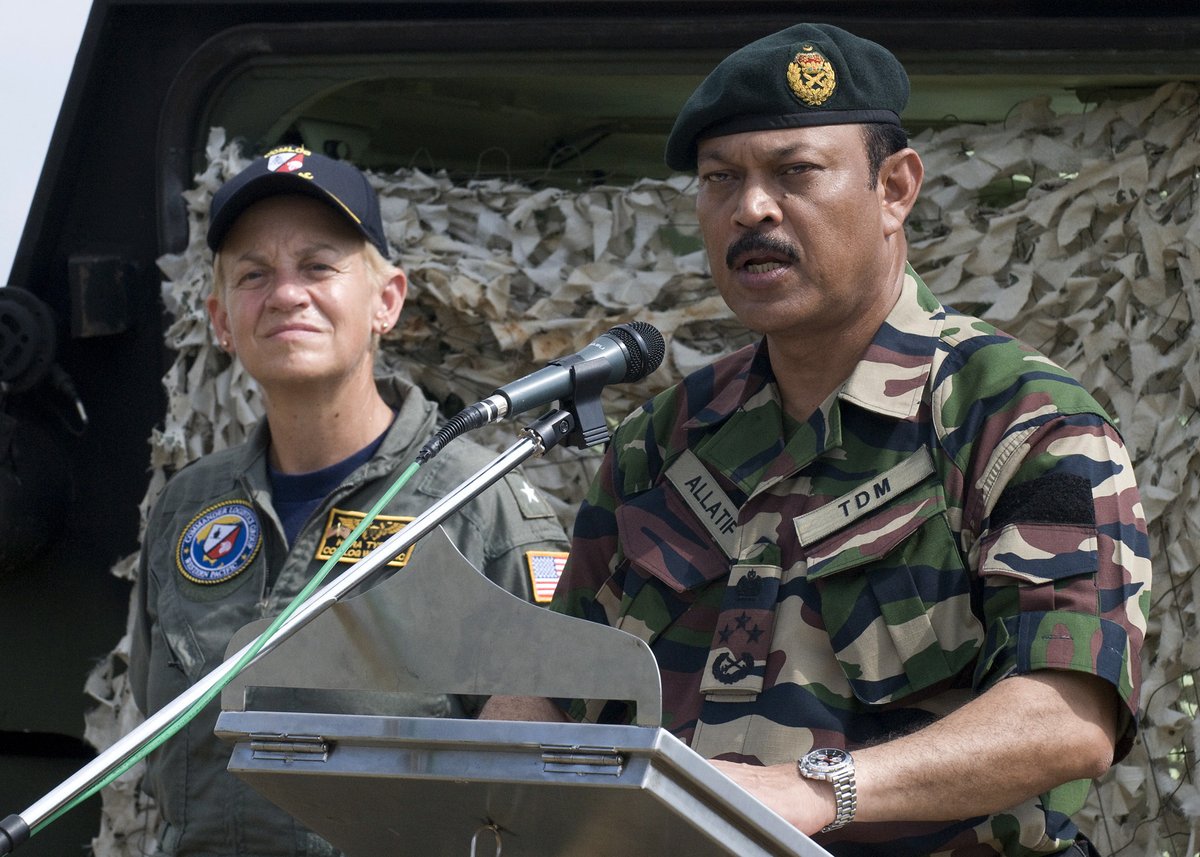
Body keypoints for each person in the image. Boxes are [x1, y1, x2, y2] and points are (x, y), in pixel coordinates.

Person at [482, 23, 1151, 857]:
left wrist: (815, 791)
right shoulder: (667, 438)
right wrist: (491, 762)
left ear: (895, 188)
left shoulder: (1017, 419)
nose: (751, 208)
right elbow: (559, 680)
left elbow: (1067, 715)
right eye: (721, 179)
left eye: (795, 172)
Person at [129, 146, 571, 857]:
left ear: (386, 300)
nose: (285, 294)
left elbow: (543, 789)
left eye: (318, 266)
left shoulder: (481, 506)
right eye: (253, 274)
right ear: (220, 318)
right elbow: (158, 731)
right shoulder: (188, 507)